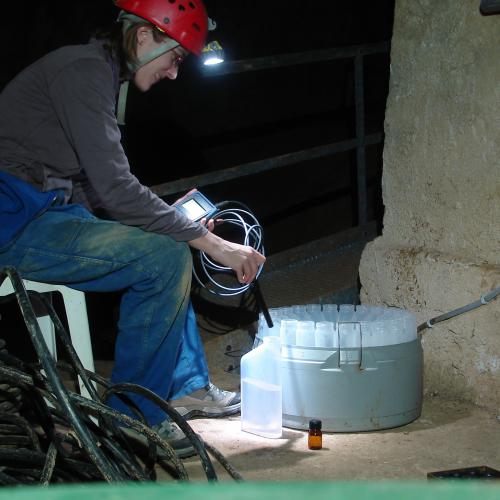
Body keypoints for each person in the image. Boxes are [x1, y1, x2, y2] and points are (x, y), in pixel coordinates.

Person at [0, 0, 265, 458]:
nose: (174, 73)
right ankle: (132, 418)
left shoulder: (101, 72)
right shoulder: (84, 72)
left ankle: (182, 387)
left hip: (43, 210)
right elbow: (116, 188)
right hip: (15, 224)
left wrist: (168, 222)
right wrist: (214, 243)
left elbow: (92, 187)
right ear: (144, 37)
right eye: (176, 58)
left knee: (163, 241)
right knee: (163, 256)